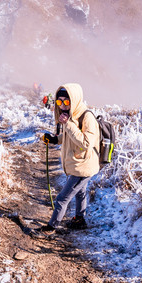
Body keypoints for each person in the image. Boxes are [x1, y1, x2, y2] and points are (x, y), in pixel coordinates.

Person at [41, 83, 100, 232]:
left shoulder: (86, 117)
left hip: (83, 166)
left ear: (74, 100)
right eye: (59, 102)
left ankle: (51, 227)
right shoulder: (72, 115)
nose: (63, 106)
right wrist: (56, 139)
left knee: (62, 198)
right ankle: (79, 220)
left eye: (66, 102)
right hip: (77, 163)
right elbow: (70, 137)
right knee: (80, 192)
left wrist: (68, 124)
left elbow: (86, 142)